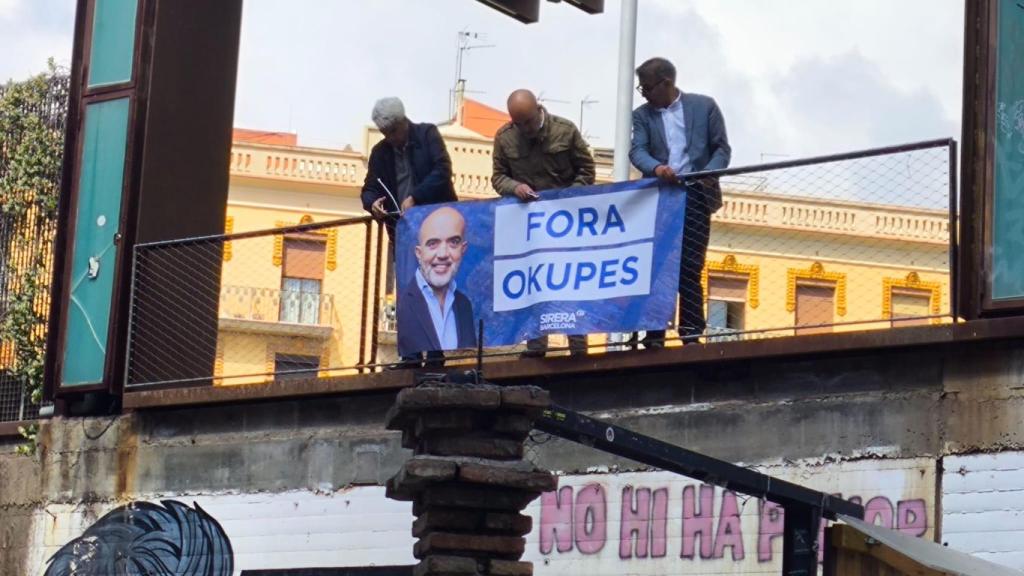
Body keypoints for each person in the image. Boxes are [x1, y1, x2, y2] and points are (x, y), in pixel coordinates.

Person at [629, 57, 731, 349]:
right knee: (657, 266)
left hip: (696, 195)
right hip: (661, 198)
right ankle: (655, 334)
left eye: (647, 87)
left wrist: (709, 172)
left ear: (667, 83)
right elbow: (638, 151)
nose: (645, 93)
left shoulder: (704, 106)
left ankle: (690, 333)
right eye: (642, 89)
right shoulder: (642, 116)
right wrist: (657, 168)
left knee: (690, 266)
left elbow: (721, 148)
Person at [492, 89, 596, 358]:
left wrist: (569, 196)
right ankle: (536, 348)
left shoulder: (565, 131)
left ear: (539, 110)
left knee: (570, 285)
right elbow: (498, 177)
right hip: (531, 229)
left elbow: (587, 170)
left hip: (567, 224)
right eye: (519, 124)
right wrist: (515, 188)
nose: (525, 129)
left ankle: (578, 349)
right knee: (535, 285)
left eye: (528, 122)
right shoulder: (505, 139)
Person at [361, 97, 457, 239]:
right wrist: (372, 203)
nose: (390, 138)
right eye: (385, 133)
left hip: (440, 227)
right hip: (402, 234)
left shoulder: (427, 134)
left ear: (403, 121)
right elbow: (369, 189)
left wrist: (415, 197)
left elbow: (443, 170)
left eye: (393, 131)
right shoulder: (379, 153)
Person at [396, 206, 477, 359]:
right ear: (419, 253)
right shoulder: (404, 301)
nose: (443, 254)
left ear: (463, 249)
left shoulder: (464, 305)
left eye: (453, 242)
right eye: (433, 243)